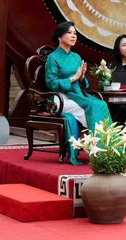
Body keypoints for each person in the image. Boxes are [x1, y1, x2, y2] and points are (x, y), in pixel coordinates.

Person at [45, 21, 112, 165]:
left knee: (101, 105)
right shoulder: (53, 58)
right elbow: (50, 83)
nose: (73, 36)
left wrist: (81, 77)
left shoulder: (76, 57)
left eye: (75, 33)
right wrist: (73, 78)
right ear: (59, 37)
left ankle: (104, 148)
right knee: (92, 108)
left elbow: (81, 84)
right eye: (69, 32)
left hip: (75, 96)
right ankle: (99, 149)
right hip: (60, 99)